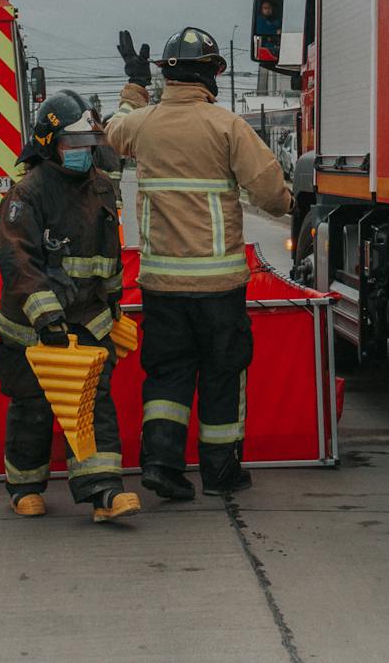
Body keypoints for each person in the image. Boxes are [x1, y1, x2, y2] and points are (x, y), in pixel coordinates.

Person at [105, 27, 293, 500]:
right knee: (221, 375)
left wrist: (133, 86)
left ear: (166, 75)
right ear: (212, 73)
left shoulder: (141, 123)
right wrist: (289, 201)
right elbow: (272, 195)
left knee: (167, 375)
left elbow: (110, 131)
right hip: (219, 289)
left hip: (161, 285)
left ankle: (162, 464)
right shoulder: (227, 126)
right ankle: (219, 470)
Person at [0, 91, 140, 523]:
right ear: (48, 143)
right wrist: (48, 319)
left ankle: (104, 493)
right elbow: (18, 261)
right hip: (30, 328)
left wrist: (113, 301)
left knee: (95, 404)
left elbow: (108, 251)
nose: (81, 152)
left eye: (86, 145)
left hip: (88, 318)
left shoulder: (99, 186)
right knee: (33, 408)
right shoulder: (27, 192)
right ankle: (24, 488)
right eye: (71, 144)